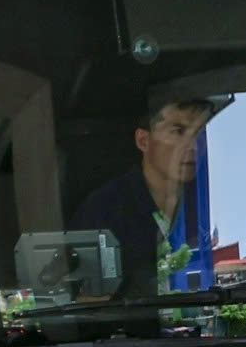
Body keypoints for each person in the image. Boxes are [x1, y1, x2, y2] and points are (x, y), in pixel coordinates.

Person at [76, 97, 215, 299]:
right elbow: (89, 305)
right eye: (178, 131)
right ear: (143, 141)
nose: (193, 146)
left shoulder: (206, 197)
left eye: (199, 132)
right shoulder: (104, 210)